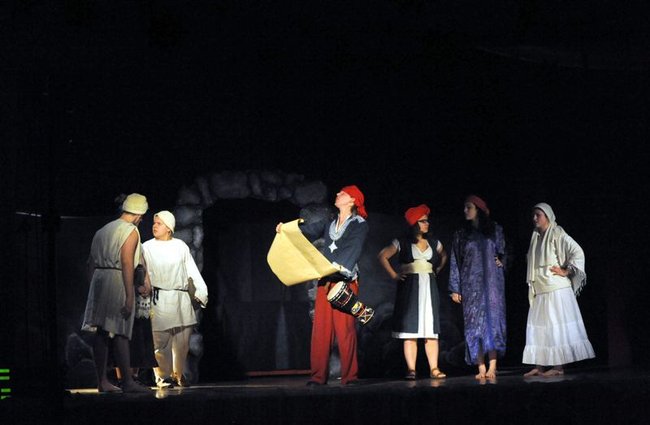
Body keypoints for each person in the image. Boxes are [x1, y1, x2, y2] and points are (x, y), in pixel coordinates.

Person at [276, 185, 369, 386]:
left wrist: (337, 269)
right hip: (325, 280)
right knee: (321, 330)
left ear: (352, 200)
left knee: (345, 330)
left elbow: (353, 249)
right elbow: (307, 230)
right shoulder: (330, 222)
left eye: (342, 193)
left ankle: (350, 376)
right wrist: (287, 229)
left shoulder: (359, 224)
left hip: (344, 281)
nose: (337, 194)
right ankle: (318, 377)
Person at [81, 193, 151, 393]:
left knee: (101, 332)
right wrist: (129, 296)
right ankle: (127, 381)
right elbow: (127, 261)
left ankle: (102, 381)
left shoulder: (103, 230)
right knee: (121, 331)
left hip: (99, 280)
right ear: (139, 215)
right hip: (116, 278)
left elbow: (90, 263)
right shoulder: (130, 230)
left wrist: (93, 290)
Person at [522, 203, 595, 377]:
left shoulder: (557, 233)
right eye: (533, 215)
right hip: (540, 289)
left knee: (555, 328)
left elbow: (577, 252)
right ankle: (539, 366)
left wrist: (566, 271)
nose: (534, 218)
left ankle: (558, 366)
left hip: (555, 289)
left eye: (538, 215)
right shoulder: (535, 236)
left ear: (548, 216)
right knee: (539, 329)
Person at [378, 204, 448, 380]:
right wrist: (395, 275)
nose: (427, 224)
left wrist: (438, 268)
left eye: (427, 221)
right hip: (410, 288)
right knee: (410, 330)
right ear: (414, 223)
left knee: (430, 330)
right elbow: (382, 256)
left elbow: (444, 255)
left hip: (429, 286)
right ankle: (411, 369)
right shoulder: (402, 242)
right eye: (423, 221)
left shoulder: (434, 242)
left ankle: (434, 368)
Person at [142, 210, 208, 388]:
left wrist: (201, 291)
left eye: (159, 223)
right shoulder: (146, 247)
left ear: (169, 228)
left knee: (181, 342)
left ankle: (178, 374)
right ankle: (162, 376)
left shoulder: (180, 246)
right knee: (160, 341)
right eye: (154, 223)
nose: (154, 226)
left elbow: (191, 269)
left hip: (180, 298)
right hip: (159, 297)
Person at [448, 195, 507, 379]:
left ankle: (493, 366)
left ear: (478, 210)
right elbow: (455, 260)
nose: (465, 211)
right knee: (474, 326)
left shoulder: (494, 230)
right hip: (471, 286)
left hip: (492, 284)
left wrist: (503, 261)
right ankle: (481, 367)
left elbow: (505, 251)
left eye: (469, 207)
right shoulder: (461, 235)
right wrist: (455, 288)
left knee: (493, 323)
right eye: (465, 207)